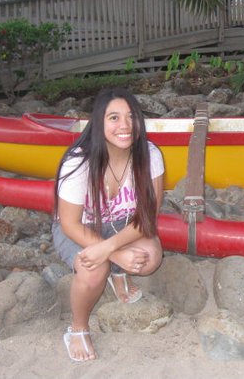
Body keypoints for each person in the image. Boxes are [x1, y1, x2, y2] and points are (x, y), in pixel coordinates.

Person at [52, 87, 164, 362]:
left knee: (150, 259)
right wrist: (113, 254)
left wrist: (113, 247)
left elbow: (148, 215)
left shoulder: (149, 155)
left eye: (131, 117)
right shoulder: (79, 162)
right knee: (93, 270)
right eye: (114, 118)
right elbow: (69, 223)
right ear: (99, 122)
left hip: (124, 224)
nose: (125, 126)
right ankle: (78, 328)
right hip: (81, 228)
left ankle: (118, 272)